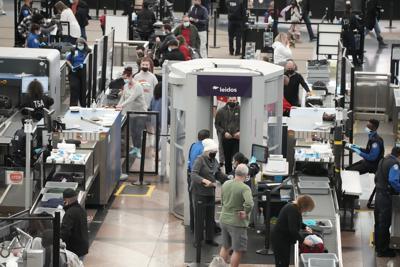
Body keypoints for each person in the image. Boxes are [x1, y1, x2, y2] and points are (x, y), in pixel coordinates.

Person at [219, 164, 254, 267]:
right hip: (237, 223)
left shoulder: (226, 184)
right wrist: (246, 211)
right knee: (238, 250)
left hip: (224, 219)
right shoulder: (245, 188)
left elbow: (222, 200)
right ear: (246, 175)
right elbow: (249, 203)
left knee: (225, 247)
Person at [190, 138, 221, 247]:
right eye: (213, 152)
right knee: (199, 217)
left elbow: (217, 173)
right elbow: (193, 175)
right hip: (200, 192)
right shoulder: (200, 159)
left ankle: (209, 238)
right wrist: (204, 180)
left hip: (210, 192)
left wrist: (229, 178)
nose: (214, 154)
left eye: (216, 152)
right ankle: (197, 240)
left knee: (210, 216)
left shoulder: (214, 161)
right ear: (207, 151)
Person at [271, 195, 315, 267]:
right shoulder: (292, 210)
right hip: (279, 239)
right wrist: (303, 241)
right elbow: (293, 229)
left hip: (284, 238)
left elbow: (296, 221)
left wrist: (305, 227)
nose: (305, 212)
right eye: (306, 210)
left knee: (285, 261)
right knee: (282, 263)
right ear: (303, 206)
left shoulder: (295, 207)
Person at [374, 146, 400, 258]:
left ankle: (378, 245)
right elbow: (394, 180)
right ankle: (383, 250)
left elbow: (376, 177)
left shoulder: (383, 160)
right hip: (386, 197)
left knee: (379, 223)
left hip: (379, 195)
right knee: (385, 223)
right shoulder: (394, 164)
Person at [116, 67, 148, 158]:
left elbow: (131, 98)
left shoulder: (137, 86)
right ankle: (135, 147)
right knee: (133, 131)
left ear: (130, 77)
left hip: (140, 112)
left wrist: (122, 106)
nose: (125, 80)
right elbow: (123, 97)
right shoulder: (126, 86)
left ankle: (138, 149)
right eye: (124, 78)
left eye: (126, 78)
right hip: (131, 112)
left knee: (138, 131)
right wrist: (118, 106)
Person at [187, 129, 211, 232]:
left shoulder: (193, 146)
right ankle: (200, 233)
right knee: (201, 208)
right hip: (200, 181)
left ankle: (193, 228)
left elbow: (189, 161)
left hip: (190, 177)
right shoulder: (204, 150)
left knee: (193, 205)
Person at [60, 188, 89, 258]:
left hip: (74, 249)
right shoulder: (82, 209)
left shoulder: (70, 213)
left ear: (66, 200)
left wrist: (58, 239)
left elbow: (65, 232)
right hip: (83, 246)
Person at [215, 97, 240, 174]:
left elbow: (246, 122)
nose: (232, 102)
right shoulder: (221, 111)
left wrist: (240, 132)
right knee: (227, 158)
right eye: (230, 100)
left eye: (234, 100)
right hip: (226, 138)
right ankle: (228, 174)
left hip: (237, 138)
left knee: (237, 158)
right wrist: (224, 132)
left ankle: (237, 175)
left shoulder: (241, 110)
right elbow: (217, 125)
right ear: (227, 101)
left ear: (236, 100)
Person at [66, 38, 90, 106]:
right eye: (78, 45)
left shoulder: (88, 51)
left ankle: (83, 106)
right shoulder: (73, 50)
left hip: (83, 73)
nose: (80, 46)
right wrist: (71, 67)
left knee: (83, 91)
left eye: (81, 45)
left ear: (84, 44)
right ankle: (73, 106)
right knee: (74, 88)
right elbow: (68, 60)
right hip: (74, 72)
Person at [341, 1, 362, 66]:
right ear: (350, 9)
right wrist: (360, 29)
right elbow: (357, 25)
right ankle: (355, 61)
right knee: (353, 48)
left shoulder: (344, 15)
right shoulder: (352, 16)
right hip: (350, 33)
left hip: (344, 33)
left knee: (345, 48)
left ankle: (344, 61)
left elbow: (342, 24)